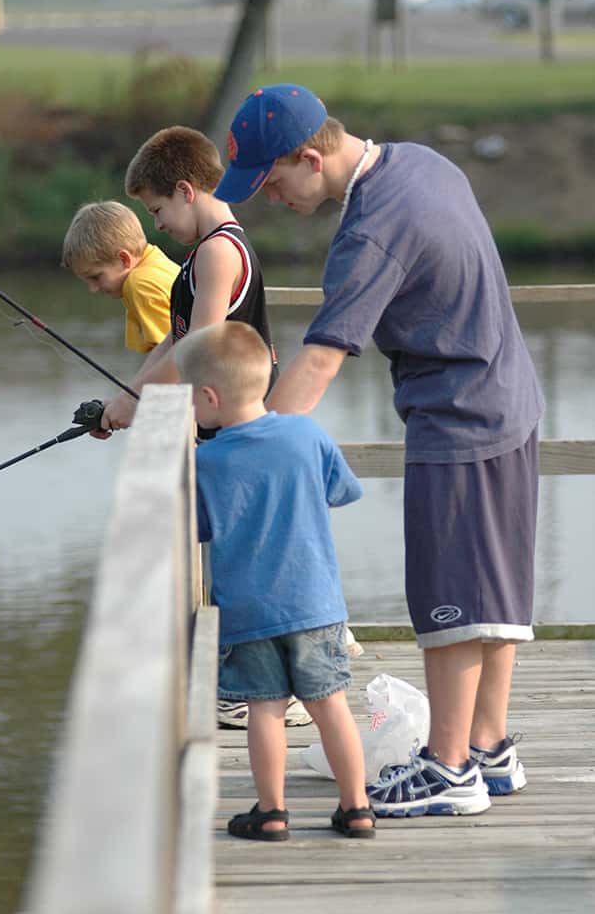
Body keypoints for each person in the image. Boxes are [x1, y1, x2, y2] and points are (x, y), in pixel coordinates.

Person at [214, 83, 545, 817]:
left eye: (271, 181)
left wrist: (247, 445)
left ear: (310, 157)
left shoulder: (369, 233)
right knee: (493, 592)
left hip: (457, 418)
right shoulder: (421, 164)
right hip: (510, 399)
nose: (269, 199)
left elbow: (321, 360)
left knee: (451, 602)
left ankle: (449, 767)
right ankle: (487, 749)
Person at [94, 125, 310, 729]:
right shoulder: (202, 253)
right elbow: (176, 339)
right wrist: (127, 397)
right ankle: (254, 683)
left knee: (242, 562)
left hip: (238, 430)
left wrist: (136, 404)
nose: (156, 224)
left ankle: (260, 691)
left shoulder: (219, 251)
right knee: (226, 557)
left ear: (186, 191)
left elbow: (203, 349)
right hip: (217, 425)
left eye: (158, 209)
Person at [174, 320, 374, 841]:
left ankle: (272, 811)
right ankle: (356, 808)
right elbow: (340, 492)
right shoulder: (307, 433)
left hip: (248, 612)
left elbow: (195, 528)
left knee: (265, 710)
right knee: (331, 704)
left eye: (191, 400)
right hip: (316, 603)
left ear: (209, 396)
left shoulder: (206, 462)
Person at [62, 200, 179, 353]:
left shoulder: (140, 285)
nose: (93, 289)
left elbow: (172, 355)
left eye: (96, 277)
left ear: (124, 259)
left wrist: (144, 378)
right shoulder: (156, 261)